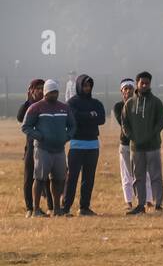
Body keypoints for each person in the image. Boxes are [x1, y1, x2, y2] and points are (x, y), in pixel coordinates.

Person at [21, 79, 77, 217]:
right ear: (46, 92)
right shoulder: (36, 107)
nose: (54, 94)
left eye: (56, 92)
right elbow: (25, 126)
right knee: (39, 179)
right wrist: (39, 136)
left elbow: (72, 125)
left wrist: (67, 136)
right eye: (51, 92)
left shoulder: (64, 108)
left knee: (58, 179)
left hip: (59, 150)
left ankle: (57, 209)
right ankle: (36, 209)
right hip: (42, 149)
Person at [121, 71, 163, 214]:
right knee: (138, 177)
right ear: (137, 83)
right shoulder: (129, 103)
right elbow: (125, 124)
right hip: (136, 147)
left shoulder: (156, 102)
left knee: (156, 176)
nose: (144, 85)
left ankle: (158, 204)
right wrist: (133, 137)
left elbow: (161, 122)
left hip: (152, 146)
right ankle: (140, 205)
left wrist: (150, 135)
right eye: (142, 83)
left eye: (147, 83)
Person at [63, 74, 106, 216]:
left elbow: (102, 119)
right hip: (76, 145)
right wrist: (90, 115)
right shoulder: (72, 102)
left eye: (89, 86)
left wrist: (85, 116)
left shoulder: (96, 103)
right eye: (84, 85)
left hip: (93, 145)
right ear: (79, 86)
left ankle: (84, 207)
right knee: (72, 177)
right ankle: (66, 207)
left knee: (89, 178)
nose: (87, 88)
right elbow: (74, 117)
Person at [112, 78, 151, 210]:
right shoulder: (118, 106)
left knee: (143, 173)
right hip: (126, 144)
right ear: (121, 91)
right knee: (127, 174)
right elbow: (123, 123)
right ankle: (128, 201)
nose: (128, 91)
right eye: (125, 89)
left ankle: (148, 200)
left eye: (130, 88)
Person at [17, 79, 49, 216]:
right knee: (29, 177)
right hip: (31, 146)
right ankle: (30, 208)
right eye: (38, 88)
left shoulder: (48, 104)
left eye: (43, 88)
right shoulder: (28, 105)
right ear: (31, 90)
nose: (41, 91)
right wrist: (27, 100)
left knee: (47, 177)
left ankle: (51, 207)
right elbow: (20, 117)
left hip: (46, 146)